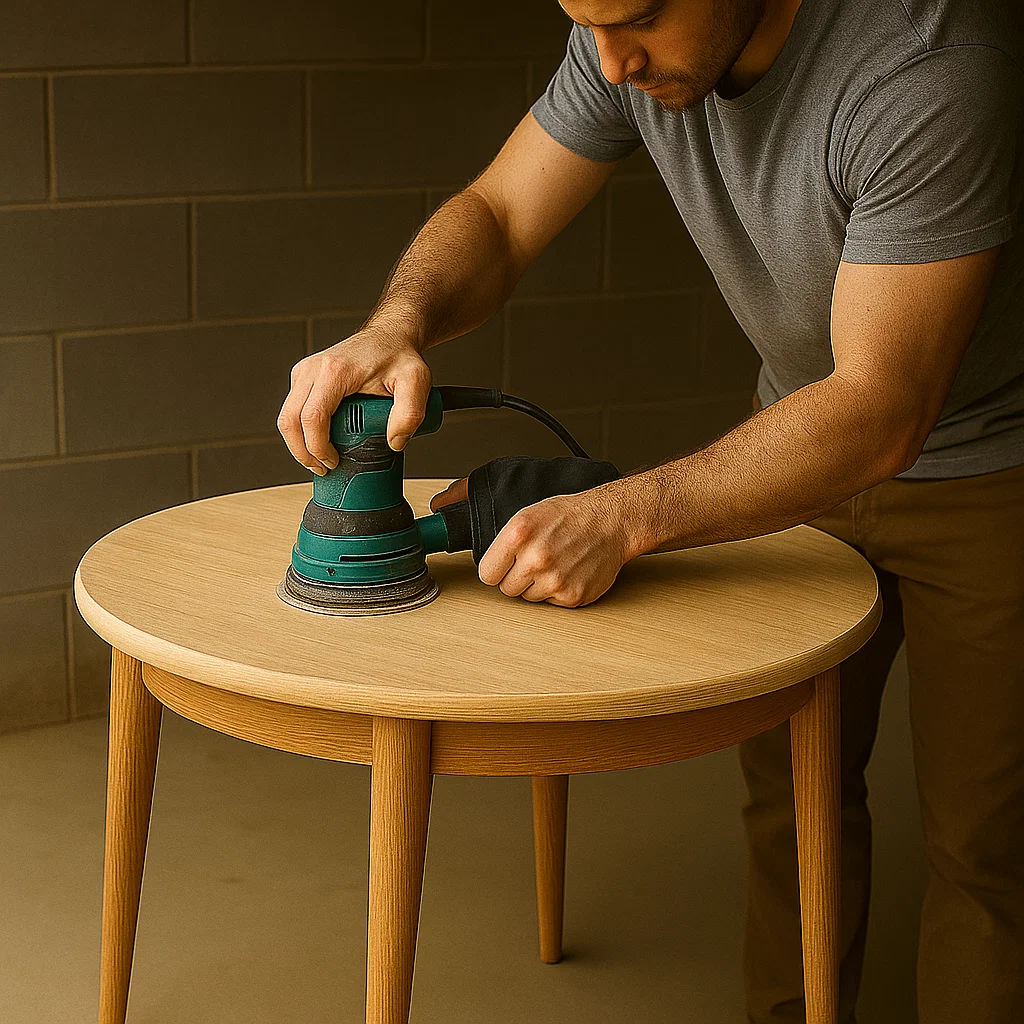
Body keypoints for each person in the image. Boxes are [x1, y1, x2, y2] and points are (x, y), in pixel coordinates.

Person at [277, 1, 1023, 1019]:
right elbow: (498, 213)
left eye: (635, 19)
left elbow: (880, 407)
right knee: (794, 805)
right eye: (583, 19)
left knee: (985, 853)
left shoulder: (929, 64)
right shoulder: (623, 47)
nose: (611, 61)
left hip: (989, 468)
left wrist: (630, 514)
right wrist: (397, 323)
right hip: (793, 444)